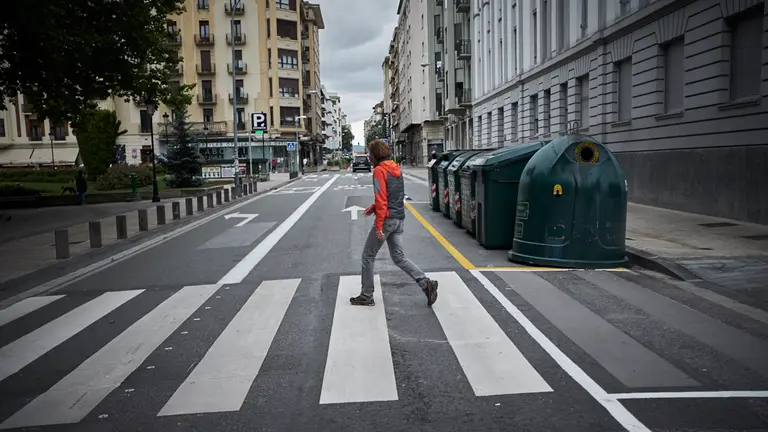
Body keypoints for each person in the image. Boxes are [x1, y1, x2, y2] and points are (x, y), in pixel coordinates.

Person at [350, 139, 438, 307]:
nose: (369, 157)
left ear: (375, 155)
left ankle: (366, 295)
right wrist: (374, 208)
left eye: (370, 154)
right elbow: (394, 195)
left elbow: (382, 198)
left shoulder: (379, 171)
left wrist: (379, 225)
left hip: (387, 220)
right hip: (399, 218)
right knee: (399, 257)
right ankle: (425, 283)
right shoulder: (396, 169)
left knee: (368, 256)